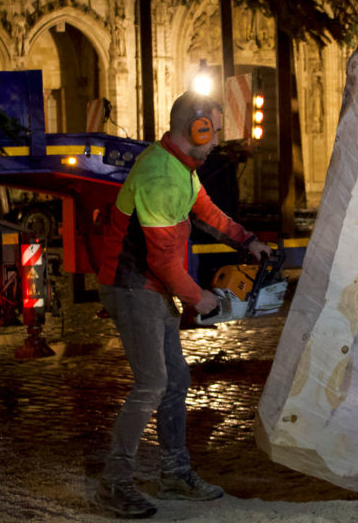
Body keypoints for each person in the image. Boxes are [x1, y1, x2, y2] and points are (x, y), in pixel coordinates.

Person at [94, 91, 271, 518]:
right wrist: (201, 298)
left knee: (176, 379)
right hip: (133, 284)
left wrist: (247, 241)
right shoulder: (159, 174)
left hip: (152, 286)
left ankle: (174, 474)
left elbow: (206, 211)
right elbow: (159, 259)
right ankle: (114, 483)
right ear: (196, 128)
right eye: (211, 132)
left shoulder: (181, 168)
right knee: (153, 382)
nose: (215, 143)